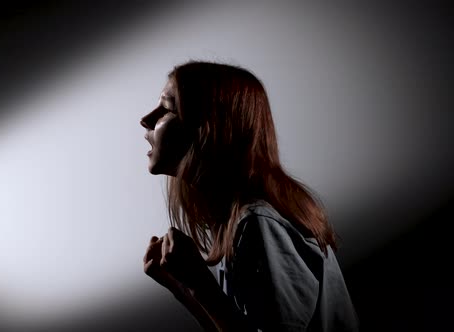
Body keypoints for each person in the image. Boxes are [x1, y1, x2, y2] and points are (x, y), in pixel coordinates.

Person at [139, 61, 359, 332]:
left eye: (166, 109)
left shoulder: (259, 225)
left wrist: (199, 283)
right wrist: (181, 287)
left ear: (207, 129)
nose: (146, 119)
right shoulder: (239, 224)